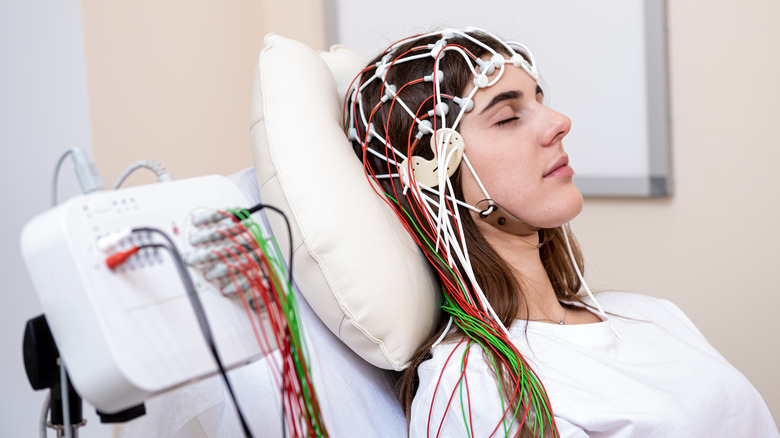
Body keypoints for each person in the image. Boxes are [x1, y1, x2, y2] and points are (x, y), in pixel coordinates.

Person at [346, 27, 778, 437]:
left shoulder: (650, 315)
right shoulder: (479, 387)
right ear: (433, 171)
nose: (559, 121)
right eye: (508, 117)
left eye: (540, 100)